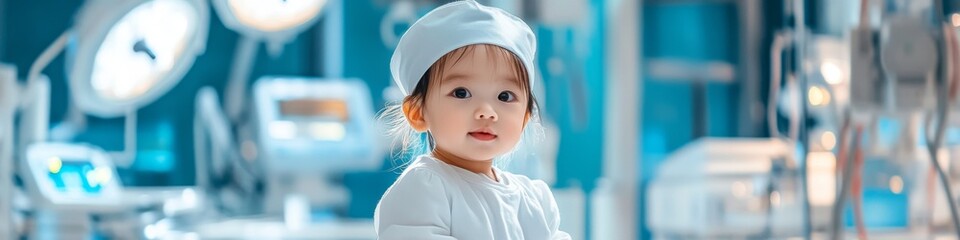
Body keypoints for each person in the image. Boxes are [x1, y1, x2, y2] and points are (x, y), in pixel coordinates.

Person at [374, 1, 571, 239]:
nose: (487, 112)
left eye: (505, 96)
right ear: (418, 112)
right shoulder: (425, 190)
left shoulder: (534, 200)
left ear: (525, 118)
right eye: (461, 93)